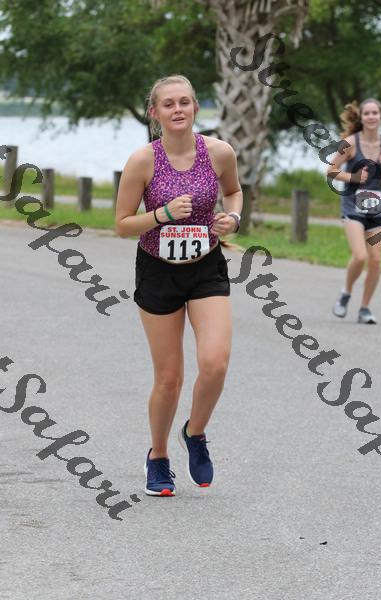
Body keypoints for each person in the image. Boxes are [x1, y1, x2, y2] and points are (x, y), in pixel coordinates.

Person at [115, 74, 243, 496]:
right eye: (168, 104)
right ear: (155, 112)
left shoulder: (219, 152)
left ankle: (195, 432)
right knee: (169, 379)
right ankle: (158, 456)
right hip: (158, 270)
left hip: (206, 267)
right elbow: (122, 224)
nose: (177, 110)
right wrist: (162, 214)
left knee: (215, 362)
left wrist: (232, 218)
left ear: (196, 107)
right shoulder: (143, 161)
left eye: (184, 102)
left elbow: (234, 192)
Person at [328, 98, 381, 324]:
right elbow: (331, 171)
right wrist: (354, 177)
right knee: (360, 256)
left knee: (376, 260)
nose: (371, 117)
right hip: (351, 205)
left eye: (375, 113)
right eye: (367, 113)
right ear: (362, 117)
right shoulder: (350, 143)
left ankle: (365, 308)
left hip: (376, 208)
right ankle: (346, 293)